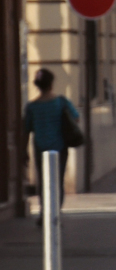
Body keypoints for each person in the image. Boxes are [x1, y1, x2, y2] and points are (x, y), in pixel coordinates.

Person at [23, 68, 78, 210]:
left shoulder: (32, 107)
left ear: (37, 85)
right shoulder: (61, 102)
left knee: (43, 181)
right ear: (51, 84)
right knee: (57, 181)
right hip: (59, 147)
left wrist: (24, 151)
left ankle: (44, 212)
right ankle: (55, 212)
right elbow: (76, 117)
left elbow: (26, 129)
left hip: (40, 148)